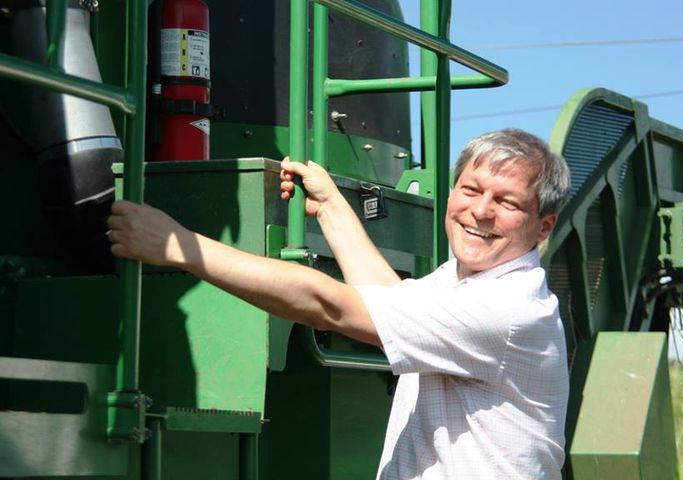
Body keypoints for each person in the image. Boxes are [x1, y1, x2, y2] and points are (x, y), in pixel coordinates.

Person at [107, 128, 571, 479]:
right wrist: (330, 207)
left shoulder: (509, 309)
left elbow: (331, 306)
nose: (481, 211)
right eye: (470, 190)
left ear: (544, 227)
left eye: (507, 203)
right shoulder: (465, 281)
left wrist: (180, 247)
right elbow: (388, 301)